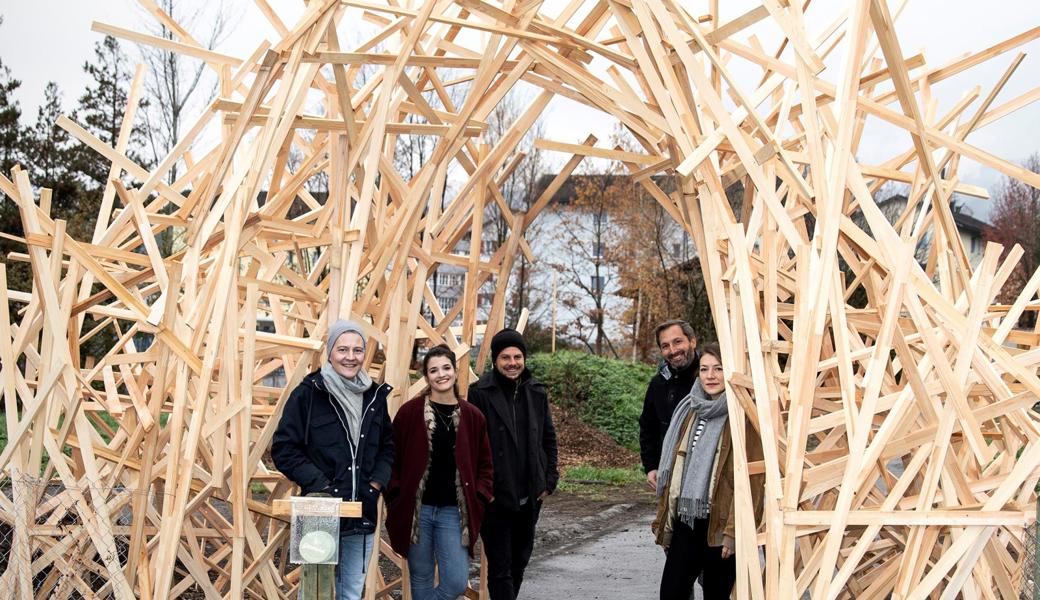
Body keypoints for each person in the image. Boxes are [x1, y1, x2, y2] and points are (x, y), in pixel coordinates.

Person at [272, 320, 394, 600]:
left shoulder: (374, 398)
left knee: (350, 594)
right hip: (319, 513)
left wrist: (375, 484)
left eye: (357, 350)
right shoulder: (308, 394)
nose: (350, 357)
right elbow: (283, 448)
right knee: (315, 592)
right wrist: (323, 487)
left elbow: (388, 446)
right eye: (342, 349)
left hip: (362, 511)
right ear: (329, 353)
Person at [652, 342, 764, 600]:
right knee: (671, 592)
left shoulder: (745, 417)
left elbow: (753, 481)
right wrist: (667, 523)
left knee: (716, 595)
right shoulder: (689, 410)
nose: (710, 376)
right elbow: (678, 471)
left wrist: (733, 532)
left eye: (718, 368)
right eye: (704, 369)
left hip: (720, 525)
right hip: (687, 521)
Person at [386, 344, 495, 600]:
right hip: (417, 510)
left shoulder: (473, 417)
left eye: (446, 368)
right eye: (433, 370)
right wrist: (396, 493)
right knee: (421, 576)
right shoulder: (409, 413)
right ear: (426, 377)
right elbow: (390, 456)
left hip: (453, 513)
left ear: (456, 372)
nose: (441, 374)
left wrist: (479, 496)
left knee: (456, 582)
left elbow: (486, 465)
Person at [468, 328, 558, 600]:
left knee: (519, 561)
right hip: (496, 497)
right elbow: (471, 446)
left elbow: (548, 437)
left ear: (524, 358)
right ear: (496, 360)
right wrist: (485, 490)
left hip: (530, 494)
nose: (512, 363)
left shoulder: (536, 391)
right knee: (500, 567)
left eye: (517, 356)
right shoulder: (480, 393)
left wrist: (549, 481)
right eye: (505, 357)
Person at [640, 320, 699, 491]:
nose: (673, 351)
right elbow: (648, 427)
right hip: (669, 474)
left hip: (707, 472)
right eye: (665, 346)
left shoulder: (710, 378)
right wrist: (651, 466)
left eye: (678, 341)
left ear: (692, 341)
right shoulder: (658, 384)